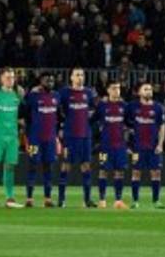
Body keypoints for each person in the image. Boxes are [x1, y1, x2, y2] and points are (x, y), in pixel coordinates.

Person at [57, 68, 98, 208]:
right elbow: (57, 109)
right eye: (77, 75)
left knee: (86, 165)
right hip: (70, 135)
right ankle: (61, 200)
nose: (80, 77)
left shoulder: (88, 93)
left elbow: (93, 111)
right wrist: (62, 125)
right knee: (66, 165)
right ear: (71, 77)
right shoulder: (64, 93)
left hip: (85, 135)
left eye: (82, 75)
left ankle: (87, 199)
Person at [0, 69, 24, 208]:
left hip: (12, 136)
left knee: (10, 167)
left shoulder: (17, 96)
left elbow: (22, 115)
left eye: (12, 78)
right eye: (7, 77)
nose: (10, 80)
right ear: (1, 79)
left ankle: (10, 198)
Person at [126, 82, 165, 209]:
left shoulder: (158, 108)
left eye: (150, 89)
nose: (149, 91)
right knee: (136, 172)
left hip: (153, 147)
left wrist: (160, 144)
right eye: (145, 89)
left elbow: (162, 126)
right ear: (139, 92)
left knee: (156, 173)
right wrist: (127, 144)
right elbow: (124, 125)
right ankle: (135, 201)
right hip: (137, 147)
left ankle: (156, 201)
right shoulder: (132, 107)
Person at [24, 72, 60, 207]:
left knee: (48, 168)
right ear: (40, 82)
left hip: (50, 138)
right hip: (35, 138)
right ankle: (29, 198)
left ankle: (48, 198)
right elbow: (26, 114)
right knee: (32, 166)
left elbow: (59, 116)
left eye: (52, 80)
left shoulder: (56, 96)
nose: (50, 82)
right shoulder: (33, 97)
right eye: (47, 80)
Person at [94, 81, 129, 209]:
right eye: (114, 88)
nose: (117, 91)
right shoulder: (102, 106)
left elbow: (129, 122)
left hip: (120, 145)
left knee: (119, 172)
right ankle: (102, 199)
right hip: (105, 145)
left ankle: (118, 200)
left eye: (118, 88)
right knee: (103, 171)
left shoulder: (124, 106)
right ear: (108, 90)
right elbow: (93, 121)